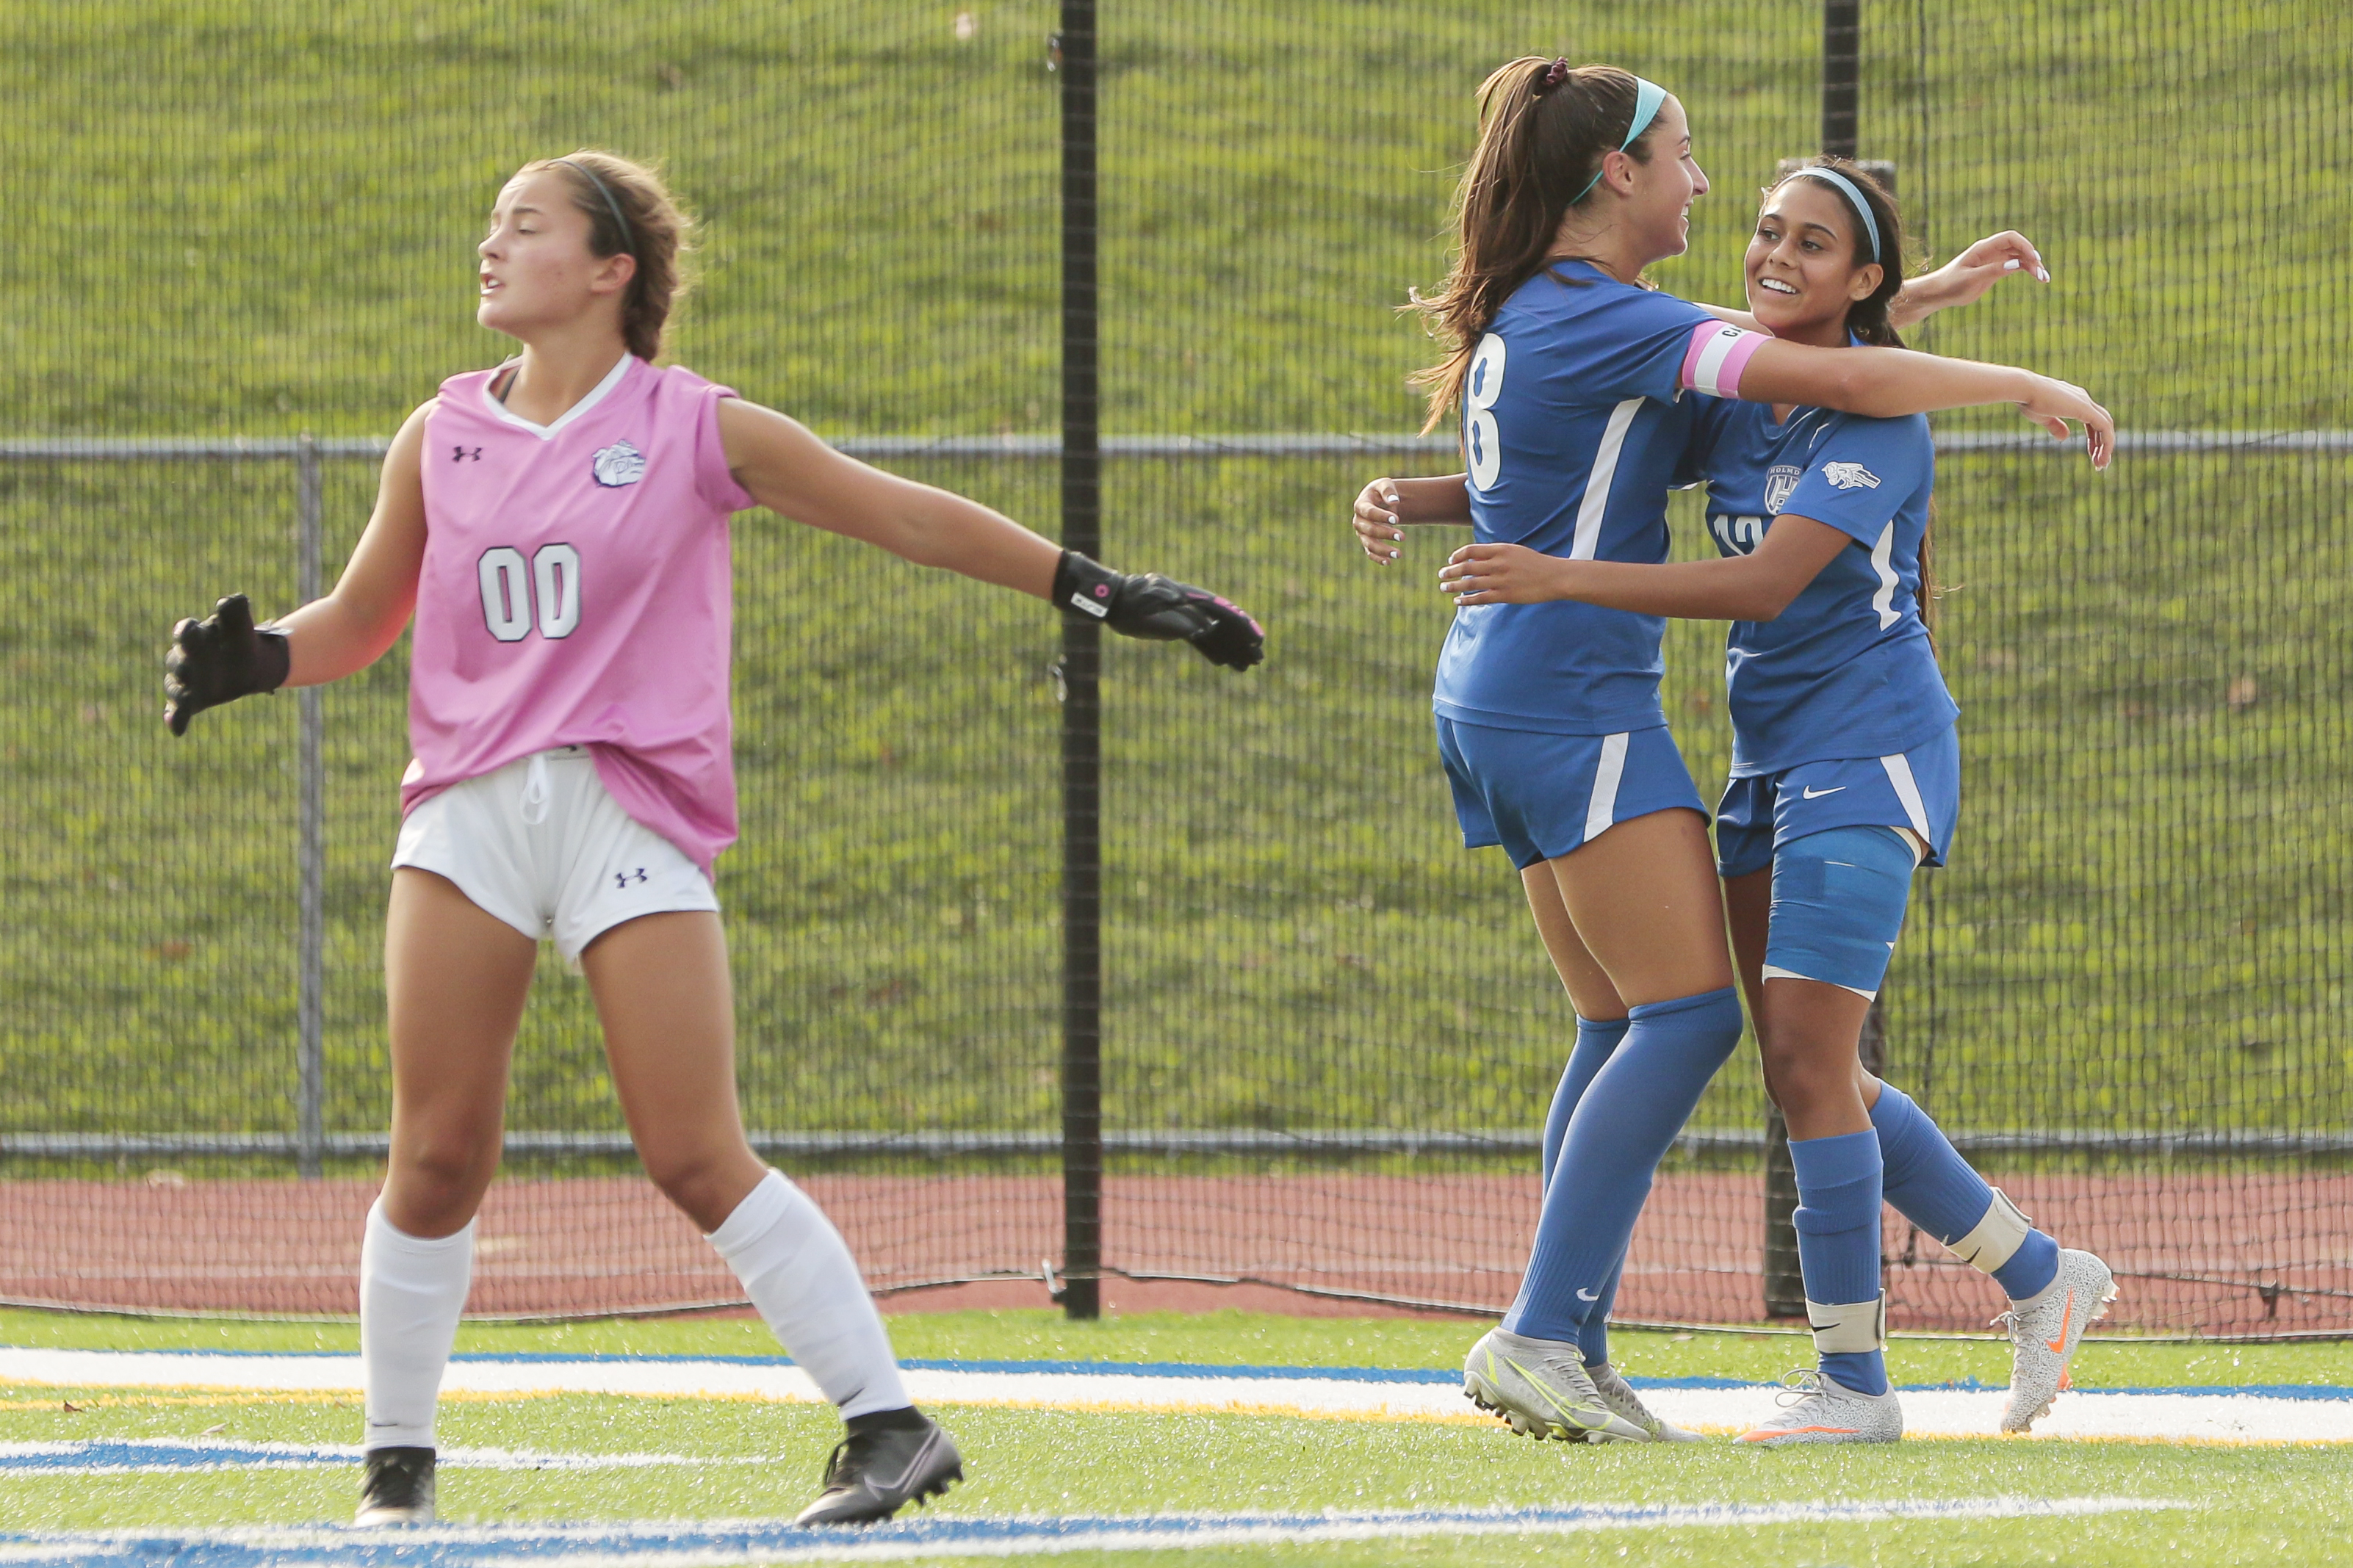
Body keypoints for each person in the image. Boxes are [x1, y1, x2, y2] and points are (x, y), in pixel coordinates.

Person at [161, 151, 1262, 1526]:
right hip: (469, 813)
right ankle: (397, 1471)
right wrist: (256, 661)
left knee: (693, 1151)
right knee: (434, 1156)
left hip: (629, 807)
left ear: (613, 269)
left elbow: (904, 515)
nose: (491, 246)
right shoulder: (435, 431)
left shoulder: (692, 425)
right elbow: (363, 617)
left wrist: (1098, 589)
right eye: (491, 223)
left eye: (526, 225)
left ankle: (891, 1430)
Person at [1348, 58, 2108, 1445]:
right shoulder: (1631, 323)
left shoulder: (1561, 312)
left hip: (1578, 709)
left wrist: (1907, 306)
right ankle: (1552, 1333)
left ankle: (1594, 1339)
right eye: (1693, 161)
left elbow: (1767, 398)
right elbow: (1791, 371)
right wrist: (2020, 375)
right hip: (1572, 700)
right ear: (1614, 178)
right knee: (1706, 1023)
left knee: (1688, 1030)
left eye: (1801, 236)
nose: (1714, 192)